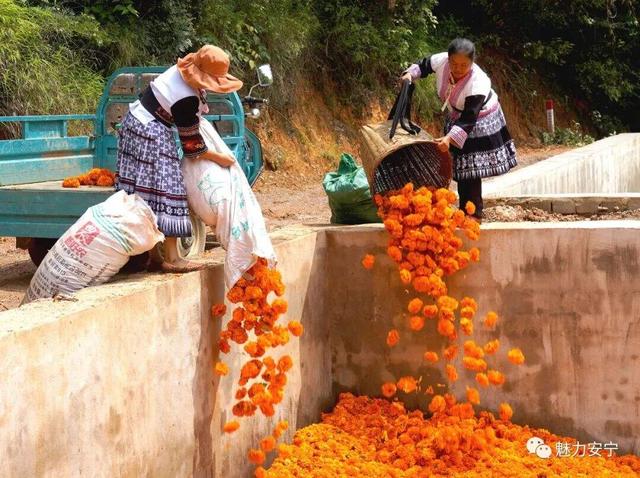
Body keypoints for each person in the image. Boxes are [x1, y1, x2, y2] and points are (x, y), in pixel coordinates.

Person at [116, 45, 242, 272]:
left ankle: (154, 256)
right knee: (170, 188)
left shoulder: (181, 71)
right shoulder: (186, 99)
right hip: (149, 131)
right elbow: (192, 148)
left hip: (134, 123)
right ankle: (172, 258)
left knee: (146, 193)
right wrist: (221, 158)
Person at [401, 38, 517, 219]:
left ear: (472, 63)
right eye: (454, 63)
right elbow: (423, 66)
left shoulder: (478, 83)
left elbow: (469, 118)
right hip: (458, 113)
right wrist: (409, 74)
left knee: (470, 165)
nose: (458, 68)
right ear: (448, 59)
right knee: (459, 164)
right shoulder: (441, 61)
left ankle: (473, 213)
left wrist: (449, 138)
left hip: (479, 116)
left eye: (464, 65)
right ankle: (462, 209)